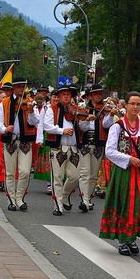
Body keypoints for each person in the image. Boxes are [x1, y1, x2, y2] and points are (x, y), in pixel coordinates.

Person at [100, 92, 140, 254]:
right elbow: (109, 151)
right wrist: (129, 159)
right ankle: (122, 239)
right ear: (127, 105)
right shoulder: (118, 126)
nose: (136, 107)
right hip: (123, 171)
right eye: (133, 104)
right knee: (123, 202)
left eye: (138, 104)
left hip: (139, 172)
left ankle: (132, 237)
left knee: (137, 204)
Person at [0, 77, 40, 211]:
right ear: (14, 88)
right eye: (18, 86)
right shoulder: (5, 102)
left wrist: (30, 111)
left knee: (24, 171)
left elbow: (36, 121)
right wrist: (4, 129)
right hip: (10, 140)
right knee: (10, 172)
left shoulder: (30, 102)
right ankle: (11, 199)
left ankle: (20, 198)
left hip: (25, 141)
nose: (21, 89)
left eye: (23, 86)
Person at [43, 85, 82, 216]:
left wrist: (87, 121)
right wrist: (62, 131)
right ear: (58, 97)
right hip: (58, 147)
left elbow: (83, 127)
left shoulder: (76, 110)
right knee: (58, 177)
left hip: (74, 148)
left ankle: (64, 196)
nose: (66, 96)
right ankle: (58, 205)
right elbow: (47, 126)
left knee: (75, 177)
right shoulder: (51, 109)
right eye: (63, 94)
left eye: (68, 94)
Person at [77, 84, 117, 212]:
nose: (99, 95)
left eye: (100, 93)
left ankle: (87, 199)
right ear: (90, 95)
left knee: (93, 175)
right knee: (85, 173)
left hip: (99, 143)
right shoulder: (83, 107)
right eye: (96, 93)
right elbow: (81, 127)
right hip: (85, 143)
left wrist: (111, 115)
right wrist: (88, 120)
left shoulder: (105, 109)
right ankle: (84, 200)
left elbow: (106, 125)